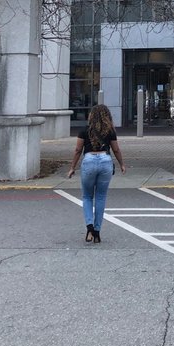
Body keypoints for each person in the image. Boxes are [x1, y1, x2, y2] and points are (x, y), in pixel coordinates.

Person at [68, 104, 125, 243]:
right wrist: (121, 164)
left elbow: (78, 150)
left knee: (87, 196)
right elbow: (116, 150)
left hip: (89, 161)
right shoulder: (110, 131)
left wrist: (72, 167)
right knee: (100, 197)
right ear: (107, 116)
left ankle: (89, 227)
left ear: (91, 116)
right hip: (105, 161)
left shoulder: (84, 130)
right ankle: (97, 232)